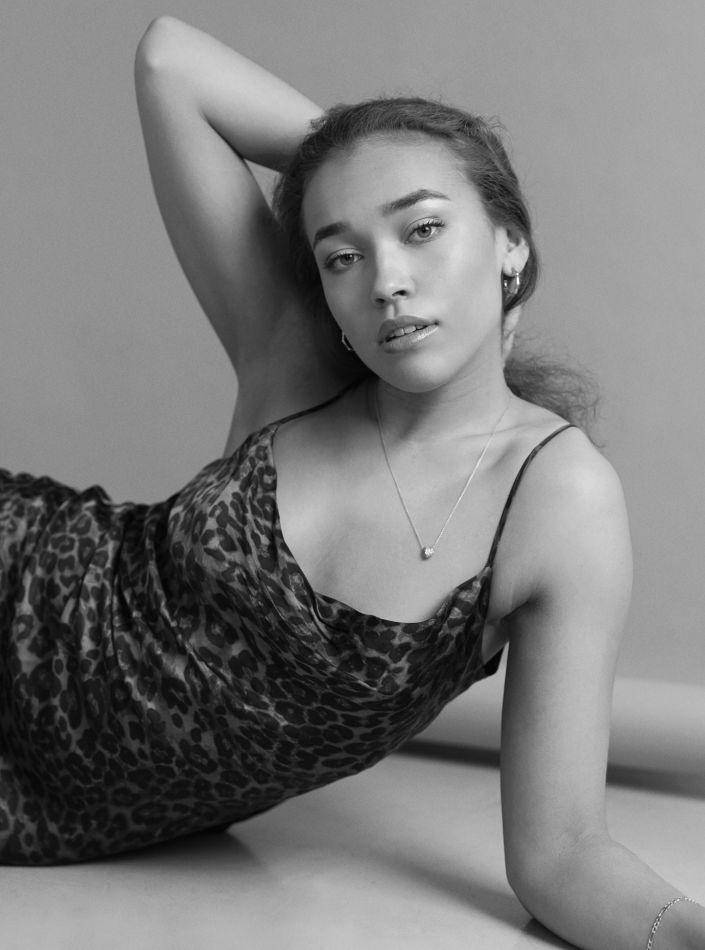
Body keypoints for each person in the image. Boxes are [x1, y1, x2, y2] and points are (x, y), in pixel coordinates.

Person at [0, 14, 702, 950]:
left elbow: (561, 856)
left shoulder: (555, 497)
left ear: (510, 244)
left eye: (423, 228)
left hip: (62, 805)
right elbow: (169, 58)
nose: (385, 281)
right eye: (342, 255)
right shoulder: (298, 366)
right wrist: (355, 164)